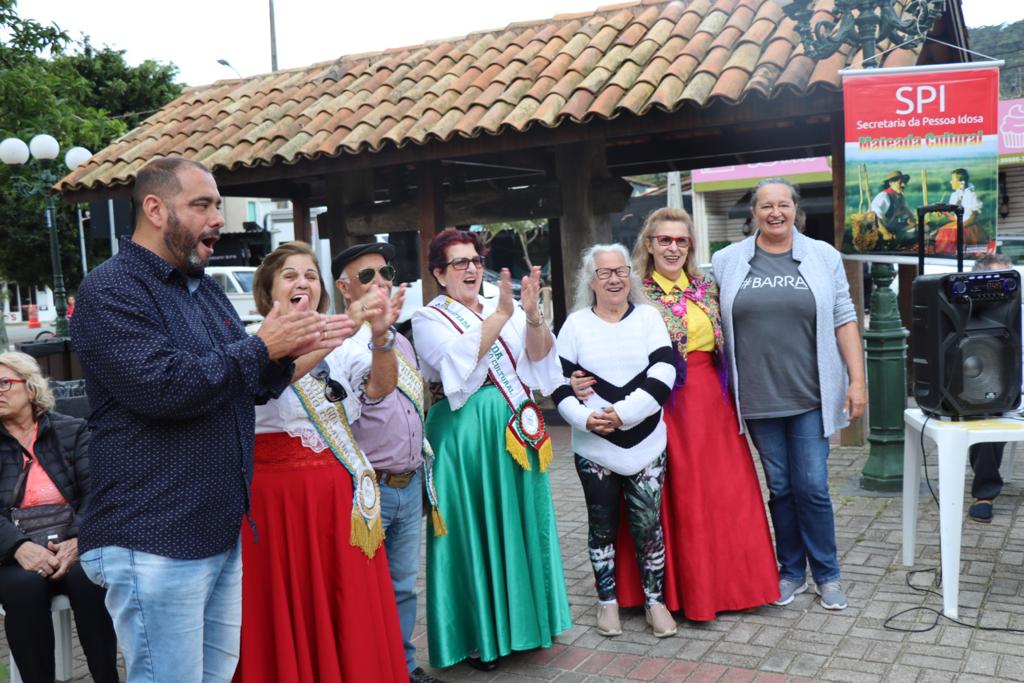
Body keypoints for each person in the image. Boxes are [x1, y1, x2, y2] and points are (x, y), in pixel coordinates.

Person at [69, 157, 347, 682]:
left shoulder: (203, 288)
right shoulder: (111, 289)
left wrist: (289, 349)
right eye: (202, 205)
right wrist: (264, 345)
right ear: (155, 208)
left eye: (217, 204)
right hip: (153, 534)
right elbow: (166, 388)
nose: (217, 218)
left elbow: (248, 384)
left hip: (215, 529)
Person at [573, 208, 780, 621]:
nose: (673, 247)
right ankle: (661, 595)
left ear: (690, 246)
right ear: (648, 245)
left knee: (723, 495)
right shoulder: (634, 293)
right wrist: (578, 381)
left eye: (681, 241)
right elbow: (599, 337)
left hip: (713, 406)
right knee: (665, 498)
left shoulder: (708, 288)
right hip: (660, 405)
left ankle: (728, 587)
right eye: (664, 240)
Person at [234, 241, 408, 683]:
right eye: (290, 275)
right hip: (278, 500)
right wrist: (348, 326)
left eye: (310, 275)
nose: (302, 282)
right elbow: (268, 381)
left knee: (342, 600)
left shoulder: (344, 342)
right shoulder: (252, 341)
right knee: (285, 602)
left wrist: (382, 338)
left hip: (336, 493)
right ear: (268, 289)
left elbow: (378, 390)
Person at [411, 228, 570, 671]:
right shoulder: (429, 318)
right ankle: (480, 636)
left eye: (475, 261)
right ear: (439, 274)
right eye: (459, 263)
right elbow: (453, 365)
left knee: (522, 520)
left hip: (514, 430)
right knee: (471, 530)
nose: (470, 269)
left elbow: (537, 361)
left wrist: (533, 314)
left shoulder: (506, 306)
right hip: (463, 436)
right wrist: (502, 314)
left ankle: (528, 623)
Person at [712, 178, 867, 611]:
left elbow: (844, 317)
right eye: (766, 206)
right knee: (780, 487)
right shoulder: (727, 260)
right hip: (758, 397)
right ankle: (791, 571)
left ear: (796, 210)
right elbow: (709, 320)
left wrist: (857, 381)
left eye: (783, 204)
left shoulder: (822, 256)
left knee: (812, 486)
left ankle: (828, 573)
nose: (775, 212)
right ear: (754, 213)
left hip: (810, 395)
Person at [331, 242, 445, 683]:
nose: (380, 282)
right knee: (363, 590)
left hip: (409, 481)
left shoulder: (400, 338)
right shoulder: (338, 342)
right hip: (368, 488)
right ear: (344, 288)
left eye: (386, 273)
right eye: (367, 276)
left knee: (402, 587)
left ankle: (403, 666)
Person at [553, 244, 677, 638]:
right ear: (590, 280)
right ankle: (607, 603)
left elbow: (664, 371)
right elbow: (557, 383)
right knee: (601, 527)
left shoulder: (648, 318)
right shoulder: (574, 325)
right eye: (604, 273)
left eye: (620, 271)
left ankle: (655, 602)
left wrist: (624, 413)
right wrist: (585, 419)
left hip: (646, 444)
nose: (613, 279)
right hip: (594, 447)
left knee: (649, 528)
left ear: (630, 276)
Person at [0, 351, 118, 683]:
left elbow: (98, 492)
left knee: (91, 578)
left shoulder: (73, 430)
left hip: (74, 541)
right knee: (25, 587)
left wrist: (77, 541)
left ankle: (107, 677)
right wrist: (20, 548)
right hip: (12, 553)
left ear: (31, 387)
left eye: (5, 383)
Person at [965, 252, 1018, 522]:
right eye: (994, 282)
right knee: (987, 416)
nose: (1002, 289)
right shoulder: (967, 313)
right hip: (988, 390)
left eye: (1007, 280)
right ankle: (985, 493)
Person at [931, 169, 986, 254]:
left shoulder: (971, 195)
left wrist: (960, 226)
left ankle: (951, 253)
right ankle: (947, 253)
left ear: (961, 183)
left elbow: (973, 217)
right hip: (959, 224)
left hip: (968, 227)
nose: (951, 182)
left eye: (953, 180)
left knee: (947, 232)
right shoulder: (956, 194)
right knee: (942, 230)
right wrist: (941, 211)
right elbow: (953, 212)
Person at [869, 170, 916, 247]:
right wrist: (885, 233)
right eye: (900, 182)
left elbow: (905, 213)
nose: (903, 185)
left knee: (919, 229)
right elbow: (874, 217)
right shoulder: (884, 196)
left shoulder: (900, 197)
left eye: (904, 182)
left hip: (891, 226)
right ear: (891, 183)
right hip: (878, 230)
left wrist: (910, 219)